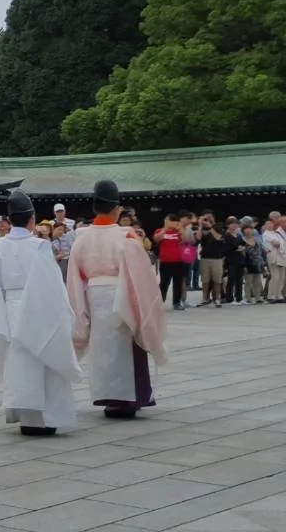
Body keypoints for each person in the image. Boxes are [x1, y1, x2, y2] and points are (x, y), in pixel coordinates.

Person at [0, 190, 82, 437]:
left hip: (10, 308)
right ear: (32, 219)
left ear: (9, 218)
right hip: (38, 307)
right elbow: (53, 287)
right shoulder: (40, 247)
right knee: (43, 357)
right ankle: (46, 417)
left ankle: (27, 415)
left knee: (19, 363)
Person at [66, 180, 166, 420]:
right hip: (122, 293)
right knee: (126, 346)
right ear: (116, 209)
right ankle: (129, 398)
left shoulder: (81, 238)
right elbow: (140, 274)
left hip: (93, 294)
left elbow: (74, 276)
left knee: (102, 348)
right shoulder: (126, 237)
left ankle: (108, 396)